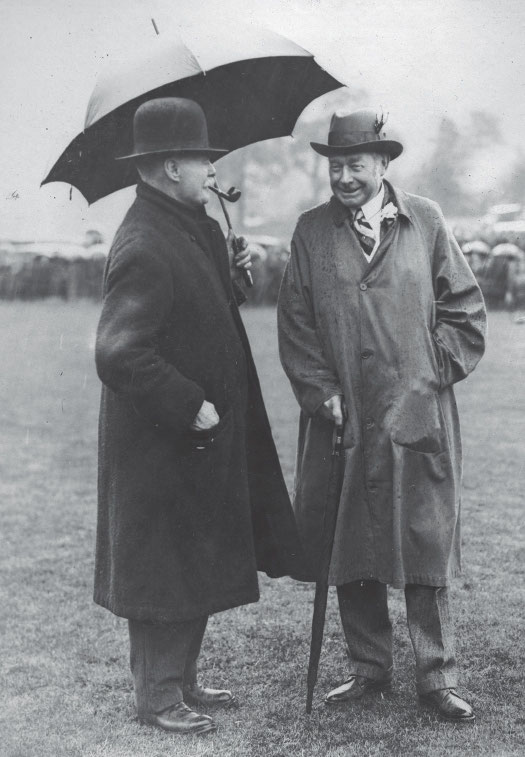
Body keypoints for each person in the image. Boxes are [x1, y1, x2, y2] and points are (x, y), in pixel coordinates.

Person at [94, 97, 303, 735]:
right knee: (165, 568)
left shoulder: (190, 225)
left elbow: (203, 311)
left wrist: (232, 274)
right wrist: (190, 405)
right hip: (166, 441)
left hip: (199, 441)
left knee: (195, 560)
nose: (211, 169)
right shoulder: (144, 241)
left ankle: (180, 682)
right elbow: (119, 352)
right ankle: (158, 697)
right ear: (166, 167)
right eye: (200, 158)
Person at [277, 108, 487, 723]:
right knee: (350, 540)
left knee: (424, 538)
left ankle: (437, 676)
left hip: (416, 418)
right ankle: (368, 668)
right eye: (335, 165)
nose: (344, 176)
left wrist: (429, 373)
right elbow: (296, 324)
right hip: (343, 419)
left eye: (356, 164)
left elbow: (466, 311)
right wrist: (321, 392)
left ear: (384, 164)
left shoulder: (425, 220)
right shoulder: (311, 231)